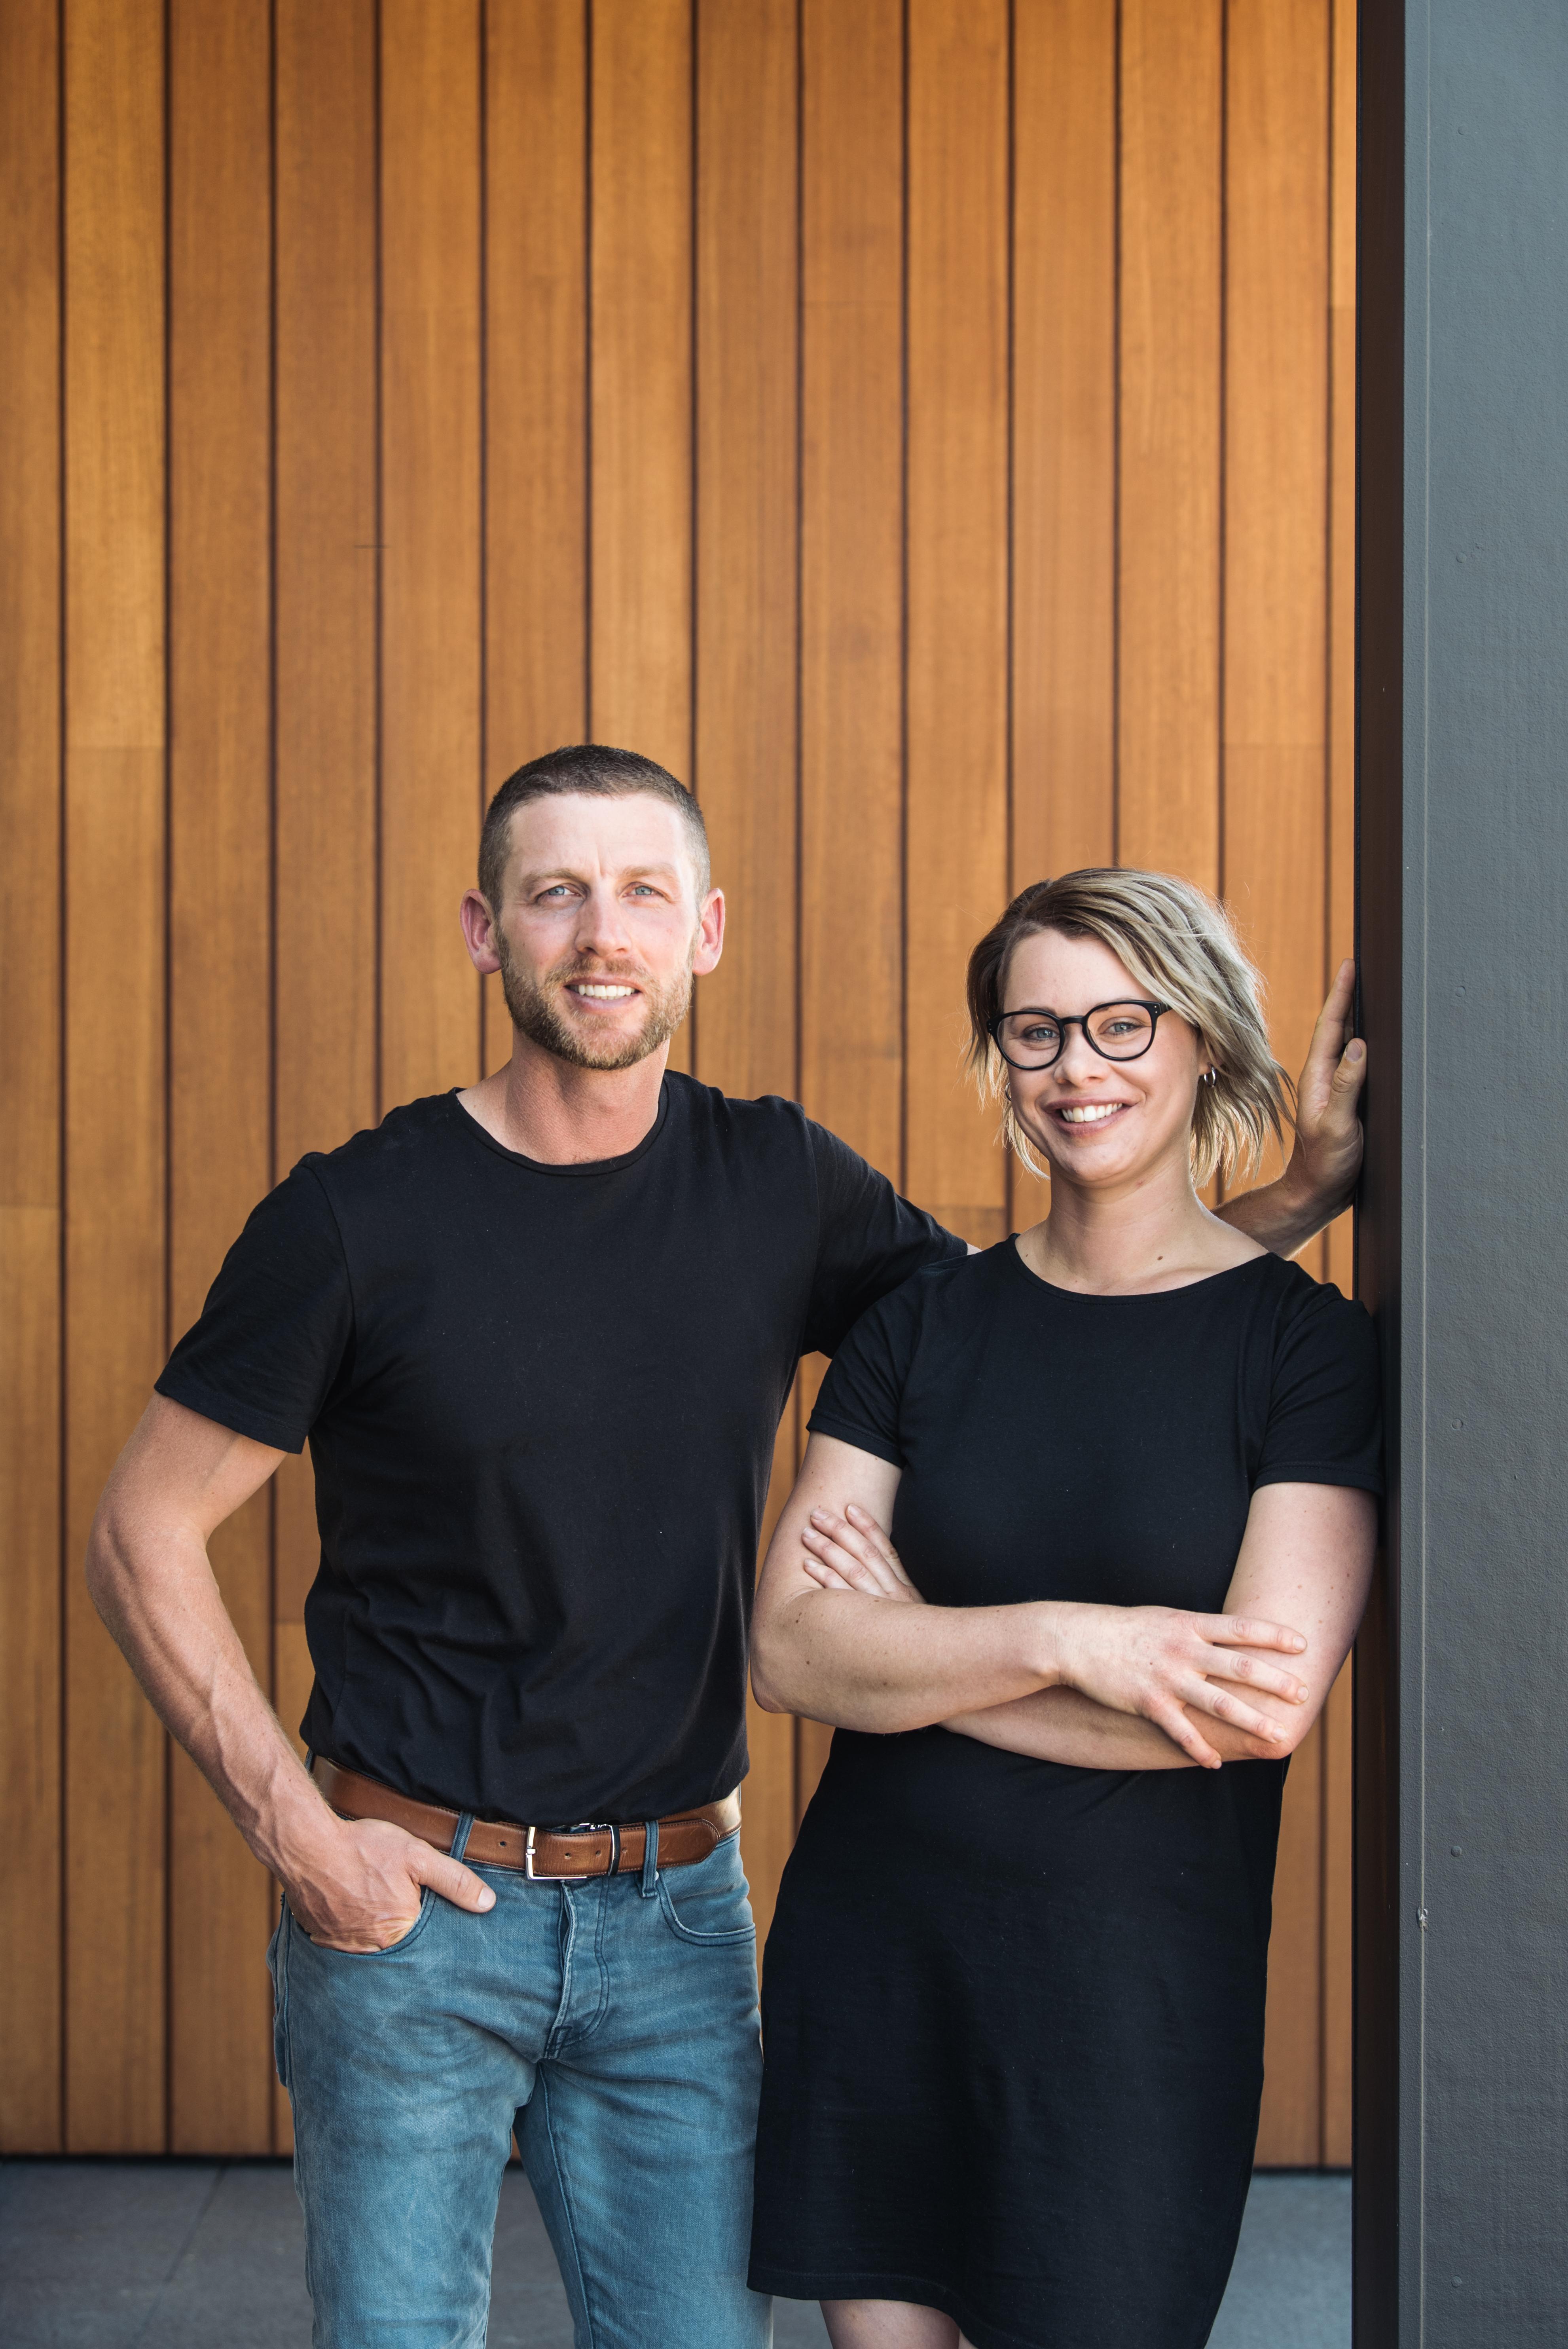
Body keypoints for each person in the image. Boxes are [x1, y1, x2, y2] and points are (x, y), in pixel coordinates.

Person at [85, 759, 1364, 2349]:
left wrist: (1301, 1191)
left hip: (679, 1915)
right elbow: (142, 1524)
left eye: (640, 893)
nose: (598, 933)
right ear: (487, 931)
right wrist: (298, 1836)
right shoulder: (358, 1215)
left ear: (705, 931)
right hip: (411, 1904)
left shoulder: (783, 1184)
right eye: (554, 892)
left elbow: (1066, 1312)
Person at [746, 869, 1383, 2349]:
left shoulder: (1303, 1351)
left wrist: (919, 1649)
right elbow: (789, 1648)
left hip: (1127, 2003)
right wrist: (1073, 1638)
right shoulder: (921, 1321)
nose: (1075, 1069)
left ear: (1203, 1044)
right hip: (882, 1956)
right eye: (1033, 1033)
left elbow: (1250, 1707)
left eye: (1119, 1023)